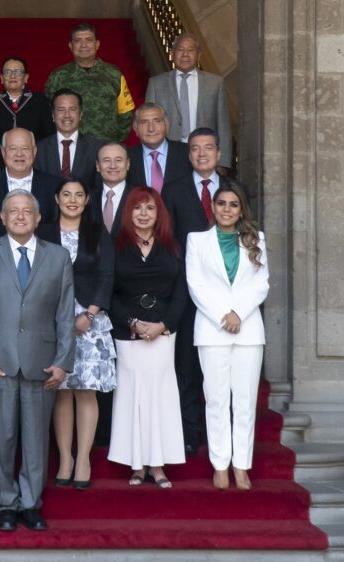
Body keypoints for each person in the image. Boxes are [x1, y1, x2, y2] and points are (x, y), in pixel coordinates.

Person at [0, 189, 75, 532]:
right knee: (1, 437)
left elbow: (66, 315)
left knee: (35, 439)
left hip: (41, 363)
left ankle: (31, 504)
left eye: (26, 211)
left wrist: (63, 362)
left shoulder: (58, 257)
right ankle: (4, 504)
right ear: (2, 217)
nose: (19, 216)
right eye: (12, 211)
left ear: (38, 217)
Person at [162, 127, 249, 455]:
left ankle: (224, 434)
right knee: (185, 365)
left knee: (224, 370)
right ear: (189, 155)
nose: (202, 154)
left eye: (208, 148)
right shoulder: (173, 190)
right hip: (187, 292)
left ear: (218, 153)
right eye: (195, 149)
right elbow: (168, 239)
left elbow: (247, 233)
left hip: (227, 297)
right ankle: (189, 432)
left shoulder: (233, 190)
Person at [185, 183, 269, 490]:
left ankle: (241, 466)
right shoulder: (197, 240)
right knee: (217, 401)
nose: (227, 209)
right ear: (213, 207)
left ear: (241, 209)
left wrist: (238, 314)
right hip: (212, 329)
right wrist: (224, 315)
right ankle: (220, 464)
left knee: (245, 402)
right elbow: (196, 284)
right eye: (221, 203)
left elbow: (261, 285)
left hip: (248, 330)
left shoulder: (255, 239)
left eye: (233, 205)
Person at [37, 179, 115, 490]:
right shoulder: (43, 233)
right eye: (66, 194)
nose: (72, 200)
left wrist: (90, 312)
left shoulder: (98, 232)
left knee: (85, 391)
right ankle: (65, 458)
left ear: (86, 201)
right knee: (61, 391)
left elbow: (107, 274)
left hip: (89, 323)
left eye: (78, 195)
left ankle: (83, 458)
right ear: (56, 199)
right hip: (52, 321)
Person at [107, 187, 186, 488]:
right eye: (137, 208)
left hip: (163, 334)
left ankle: (158, 464)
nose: (143, 214)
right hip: (128, 334)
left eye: (150, 208)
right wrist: (132, 323)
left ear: (158, 213)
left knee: (160, 398)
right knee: (132, 397)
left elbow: (181, 292)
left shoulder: (172, 247)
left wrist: (163, 324)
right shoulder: (115, 248)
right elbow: (109, 294)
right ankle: (136, 465)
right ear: (129, 213)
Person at [146, 33, 233, 172]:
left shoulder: (215, 83)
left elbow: (223, 125)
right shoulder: (156, 83)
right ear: (173, 53)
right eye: (180, 50)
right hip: (168, 155)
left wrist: (223, 163)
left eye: (190, 50)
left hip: (204, 154)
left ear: (199, 55)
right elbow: (147, 123)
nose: (185, 54)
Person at [44, 22, 135, 141]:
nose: (83, 45)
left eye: (89, 40)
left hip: (105, 147)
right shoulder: (58, 76)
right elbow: (47, 111)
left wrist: (115, 141)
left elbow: (126, 113)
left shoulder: (114, 74)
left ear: (97, 44)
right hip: (70, 147)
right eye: (78, 41)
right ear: (71, 46)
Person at [0, 128, 58, 241]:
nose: (19, 154)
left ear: (34, 151)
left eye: (25, 148)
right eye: (13, 149)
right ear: (3, 152)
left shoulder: (53, 186)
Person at [0, 57, 55, 172]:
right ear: (1, 78)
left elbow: (49, 137)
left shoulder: (40, 101)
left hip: (34, 164)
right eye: (7, 72)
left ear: (26, 78)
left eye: (18, 72)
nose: (12, 76)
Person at [35, 88, 104, 189]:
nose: (66, 115)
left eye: (72, 109)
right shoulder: (38, 149)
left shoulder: (96, 148)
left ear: (80, 114)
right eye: (61, 110)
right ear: (53, 115)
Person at [126, 103, 192, 192]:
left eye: (157, 121)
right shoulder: (126, 156)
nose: (151, 129)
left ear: (167, 125)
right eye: (144, 122)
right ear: (135, 128)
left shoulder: (187, 152)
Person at [93, 142, 133, 236]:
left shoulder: (140, 198)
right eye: (106, 160)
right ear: (98, 166)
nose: (113, 166)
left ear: (127, 164)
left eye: (118, 160)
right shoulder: (87, 198)